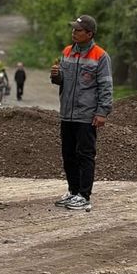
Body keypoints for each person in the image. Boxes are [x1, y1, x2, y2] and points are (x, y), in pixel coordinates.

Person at [50, 15, 113, 212]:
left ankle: (84, 196)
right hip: (67, 114)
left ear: (89, 33)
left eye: (78, 30)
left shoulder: (100, 56)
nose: (74, 33)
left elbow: (106, 86)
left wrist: (102, 112)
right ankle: (73, 191)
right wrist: (56, 76)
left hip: (86, 115)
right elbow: (63, 81)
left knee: (85, 155)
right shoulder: (67, 51)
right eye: (73, 29)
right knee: (68, 155)